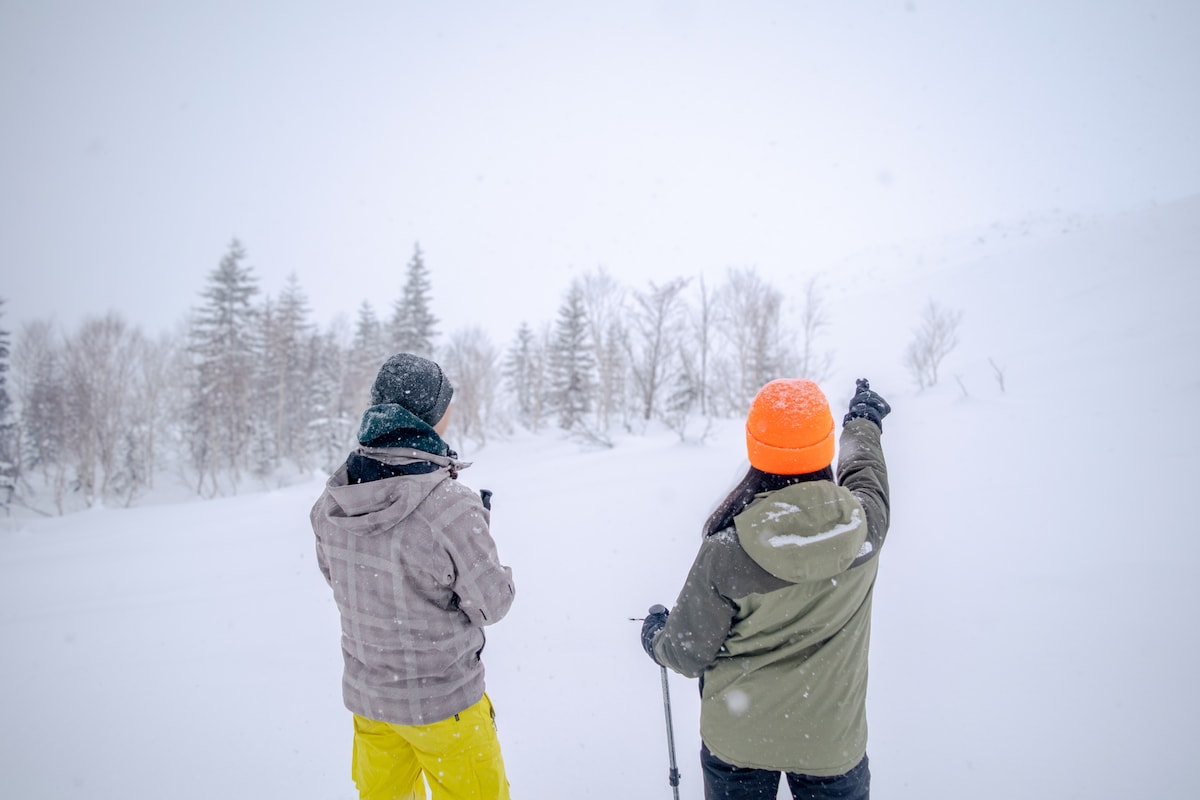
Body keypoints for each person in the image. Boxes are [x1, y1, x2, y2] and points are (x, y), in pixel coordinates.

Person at [640, 377, 891, 800]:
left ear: (755, 447)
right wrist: (863, 423)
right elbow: (865, 471)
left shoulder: (727, 552)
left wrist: (655, 636)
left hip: (740, 743)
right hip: (831, 741)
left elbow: (686, 653)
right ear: (824, 445)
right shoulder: (864, 527)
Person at [311, 353, 515, 800]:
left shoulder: (333, 501)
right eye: (446, 406)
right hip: (448, 710)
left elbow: (344, 581)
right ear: (429, 417)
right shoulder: (451, 506)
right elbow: (492, 603)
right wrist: (476, 535)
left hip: (373, 707)